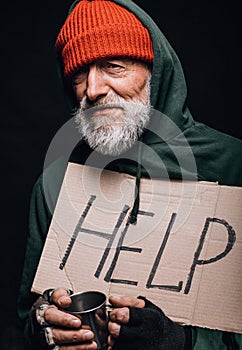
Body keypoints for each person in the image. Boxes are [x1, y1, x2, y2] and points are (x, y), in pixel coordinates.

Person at [16, 0, 242, 349]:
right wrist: (40, 325)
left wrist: (182, 341)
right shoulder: (56, 182)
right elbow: (21, 325)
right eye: (79, 74)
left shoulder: (233, 168)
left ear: (156, 72)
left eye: (113, 66)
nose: (92, 90)